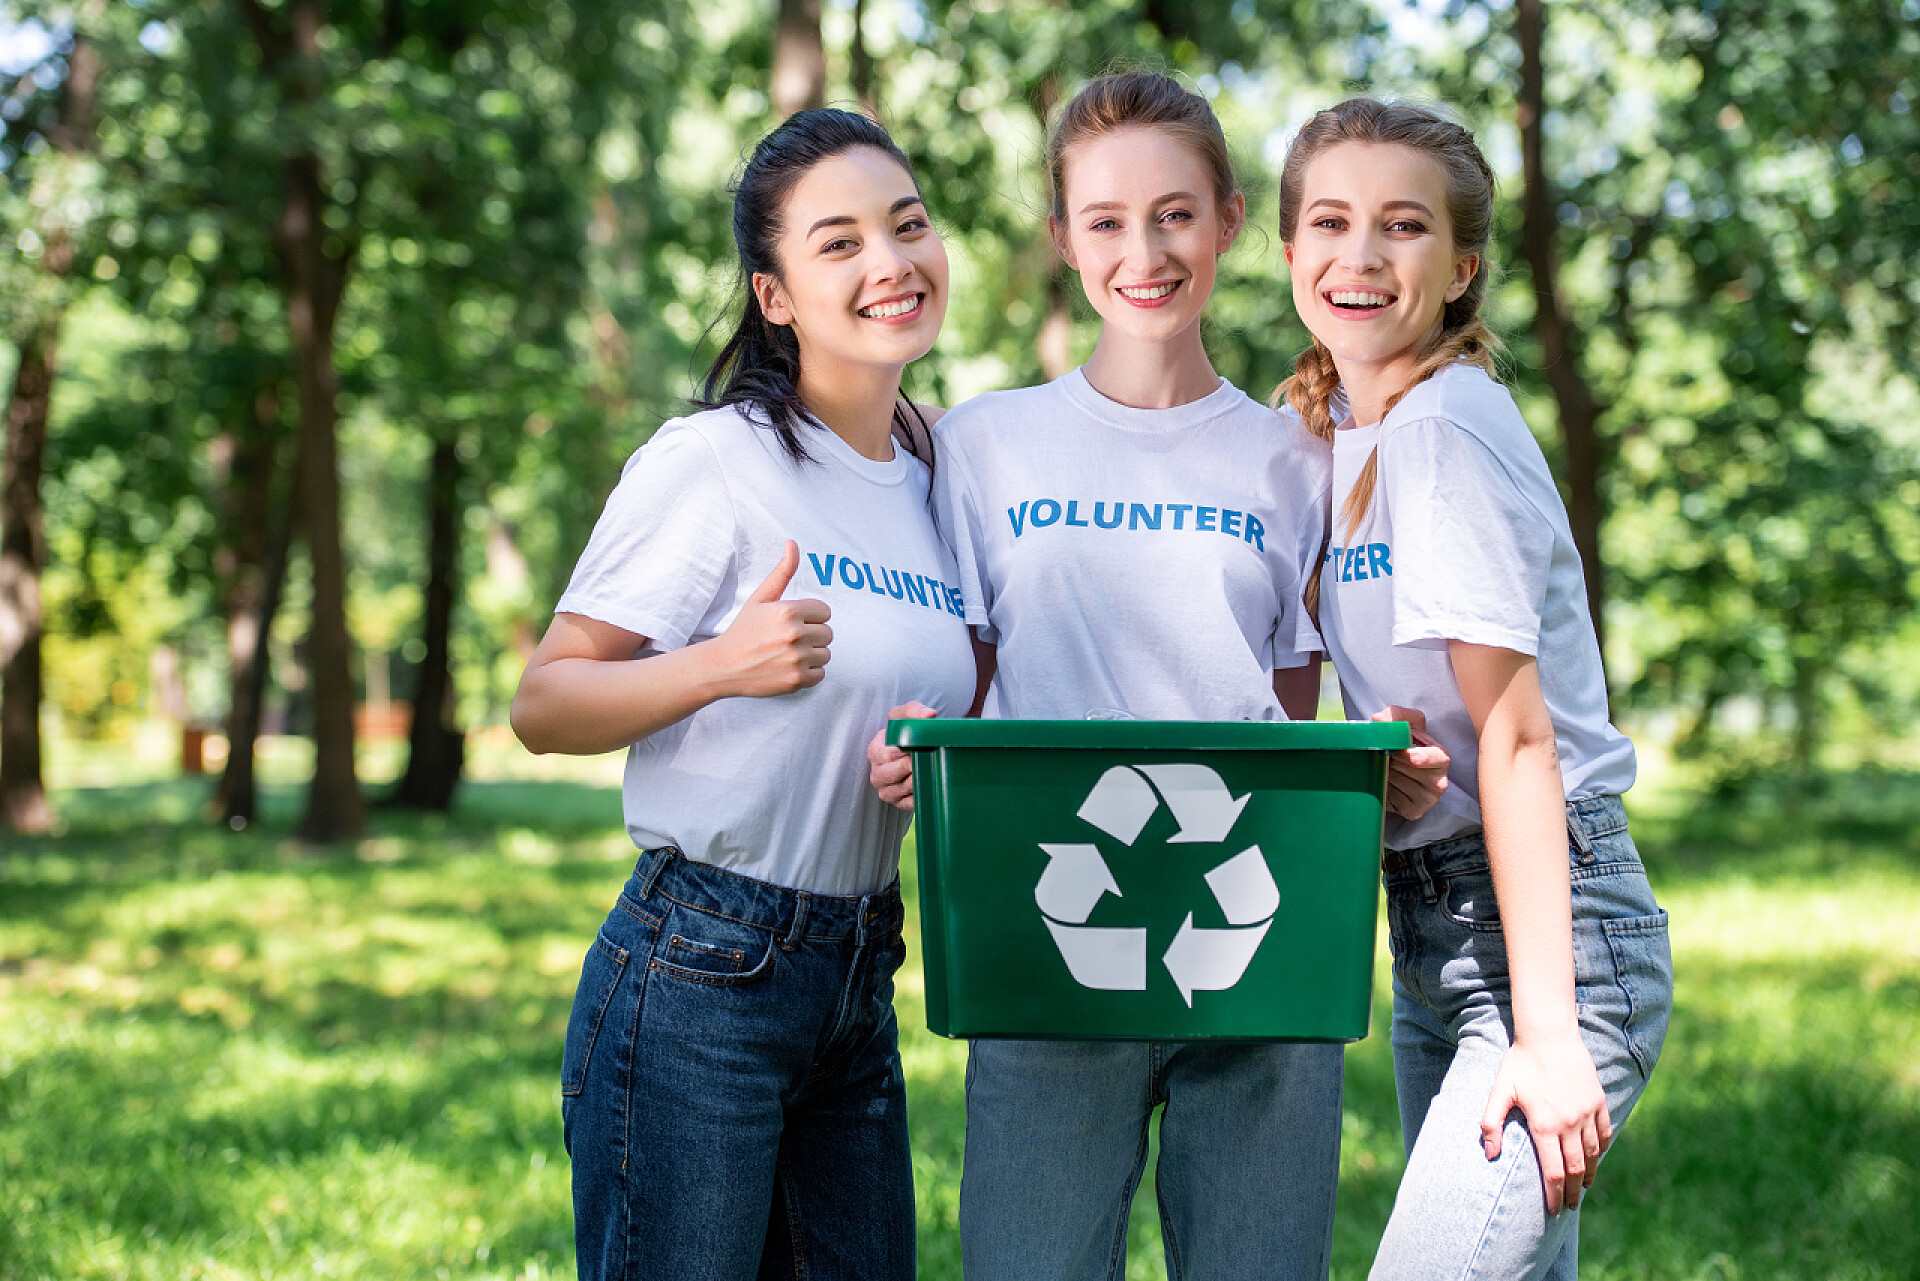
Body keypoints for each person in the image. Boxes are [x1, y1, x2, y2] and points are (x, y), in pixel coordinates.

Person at [870, 71, 1443, 1281]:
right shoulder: (982, 444)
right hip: (1043, 943)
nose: (1147, 250)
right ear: (1062, 238)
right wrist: (916, 748)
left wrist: (1379, 761)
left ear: (1232, 221)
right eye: (1108, 220)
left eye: (1176, 213)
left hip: (1255, 945)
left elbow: (1293, 714)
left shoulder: (1303, 449)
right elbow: (963, 683)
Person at [511, 108, 977, 1281]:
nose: (890, 262)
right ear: (774, 296)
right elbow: (547, 703)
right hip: (702, 973)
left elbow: (932, 687)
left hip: (859, 972)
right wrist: (724, 662)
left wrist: (928, 746)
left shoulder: (934, 474)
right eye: (839, 243)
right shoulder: (715, 460)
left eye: (907, 225)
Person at [1273, 96, 1674, 1278]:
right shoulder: (1343, 430)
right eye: (1332, 223)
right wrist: (1381, 755)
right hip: (1436, 922)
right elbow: (1437, 705)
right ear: (1290, 252)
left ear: (1461, 270)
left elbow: (1519, 741)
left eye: (1403, 227)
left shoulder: (1442, 426)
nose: (1361, 255)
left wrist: (1550, 1035)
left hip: (1550, 938)